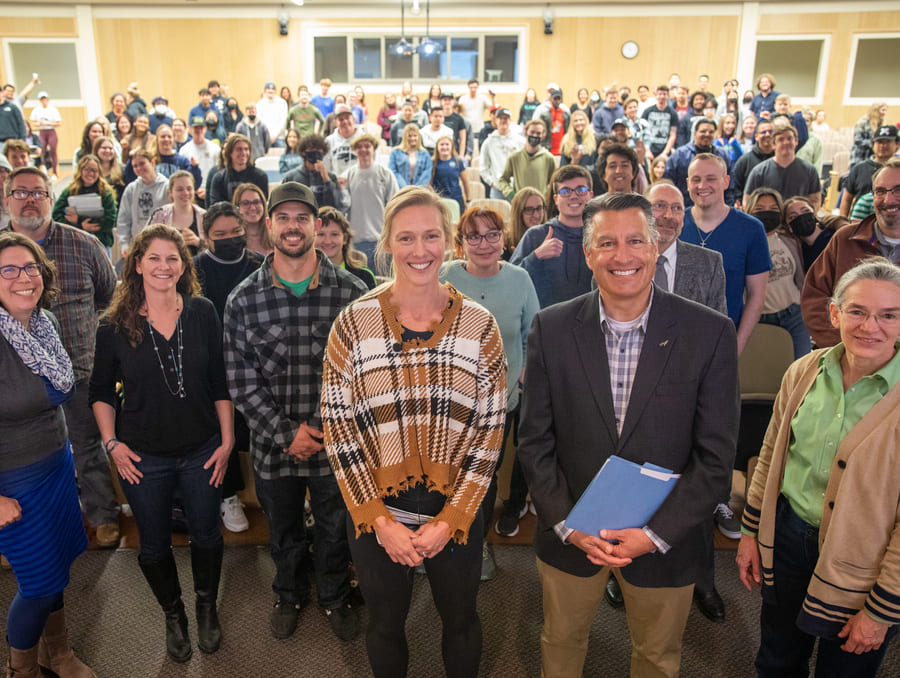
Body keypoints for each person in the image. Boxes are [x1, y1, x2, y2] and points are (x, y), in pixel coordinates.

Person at [518, 192, 739, 678]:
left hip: (666, 540)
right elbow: (535, 441)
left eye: (636, 240)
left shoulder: (710, 333)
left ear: (656, 246)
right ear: (588, 254)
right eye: (607, 243)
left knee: (658, 658)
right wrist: (566, 524)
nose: (623, 256)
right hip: (570, 535)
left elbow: (716, 458)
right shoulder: (551, 329)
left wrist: (655, 535)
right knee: (560, 642)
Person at [321, 186, 507, 677]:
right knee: (384, 624)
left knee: (462, 620)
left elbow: (489, 432)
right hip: (375, 509)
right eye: (405, 238)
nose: (419, 250)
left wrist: (452, 518)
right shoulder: (353, 324)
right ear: (387, 243)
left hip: (457, 510)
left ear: (449, 242)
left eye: (430, 236)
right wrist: (380, 521)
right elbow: (340, 429)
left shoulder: (479, 326)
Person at [738, 256, 900, 678]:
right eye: (858, 312)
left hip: (864, 561)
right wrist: (752, 533)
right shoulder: (804, 370)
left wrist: (883, 610)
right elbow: (771, 454)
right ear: (835, 313)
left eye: (889, 315)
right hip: (790, 539)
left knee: (844, 670)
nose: (870, 326)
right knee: (776, 658)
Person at [224, 182, 367, 643]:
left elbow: (363, 375)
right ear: (268, 226)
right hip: (273, 446)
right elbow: (241, 381)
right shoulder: (243, 299)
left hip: (337, 444)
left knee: (333, 527)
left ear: (317, 225)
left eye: (301, 218)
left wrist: (323, 431)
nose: (292, 226)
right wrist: (287, 434)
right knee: (282, 531)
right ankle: (288, 592)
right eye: (282, 217)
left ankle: (332, 594)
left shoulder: (351, 292)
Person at [90, 224, 232, 662]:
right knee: (152, 546)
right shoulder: (114, 327)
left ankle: (206, 606)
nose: (164, 266)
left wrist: (227, 442)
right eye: (154, 257)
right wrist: (112, 444)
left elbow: (218, 381)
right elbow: (99, 392)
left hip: (203, 449)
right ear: (136, 264)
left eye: (173, 258)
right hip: (142, 457)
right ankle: (175, 615)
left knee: (207, 535)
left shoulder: (203, 311)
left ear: (183, 266)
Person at [3, 166, 120, 551]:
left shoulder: (84, 244)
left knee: (87, 446)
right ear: (6, 200)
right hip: (11, 383)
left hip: (79, 371)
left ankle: (102, 515)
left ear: (52, 200)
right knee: (16, 459)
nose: (30, 199)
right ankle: (17, 535)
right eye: (21, 193)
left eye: (39, 192)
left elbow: (109, 299)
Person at [0, 231, 95, 678]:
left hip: (56, 466)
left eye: (31, 267)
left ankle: (57, 653)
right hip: (12, 482)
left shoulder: (44, 323)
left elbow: (54, 397)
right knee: (37, 585)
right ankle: (22, 670)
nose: (24, 277)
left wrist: (69, 457)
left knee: (56, 569)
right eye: (9, 269)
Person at [440, 206, 539, 575]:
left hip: (501, 402)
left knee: (482, 479)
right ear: (460, 243)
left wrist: (523, 372)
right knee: (445, 476)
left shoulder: (520, 280)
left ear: (504, 240)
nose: (484, 244)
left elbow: (533, 335)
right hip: (449, 404)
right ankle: (439, 541)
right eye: (474, 236)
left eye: (492, 235)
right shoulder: (445, 276)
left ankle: (474, 546)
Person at [192, 202, 263, 533]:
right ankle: (229, 494)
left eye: (235, 232)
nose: (230, 239)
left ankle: (273, 492)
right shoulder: (195, 270)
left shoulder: (262, 265)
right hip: (214, 363)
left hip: (260, 360)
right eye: (220, 235)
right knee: (222, 430)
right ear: (207, 236)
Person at [801, 158, 900, 348]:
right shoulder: (845, 239)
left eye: (898, 190)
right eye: (880, 191)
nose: (889, 200)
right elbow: (814, 298)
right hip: (846, 360)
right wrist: (846, 349)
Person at [681, 154, 771, 355]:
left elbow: (757, 295)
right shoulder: (674, 225)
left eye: (711, 178)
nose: (702, 185)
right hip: (675, 341)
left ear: (726, 181)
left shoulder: (751, 229)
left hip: (722, 341)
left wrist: (736, 346)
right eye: (696, 179)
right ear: (688, 184)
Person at [510, 165, 595, 308]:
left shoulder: (601, 235)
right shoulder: (536, 235)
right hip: (545, 324)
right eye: (565, 191)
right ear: (556, 199)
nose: (574, 196)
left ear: (591, 195)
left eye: (581, 189)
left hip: (593, 322)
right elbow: (510, 283)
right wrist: (536, 256)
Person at [745, 187, 810, 359]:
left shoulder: (790, 240)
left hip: (794, 316)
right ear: (749, 211)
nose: (767, 214)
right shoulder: (744, 243)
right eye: (760, 210)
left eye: (773, 210)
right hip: (759, 320)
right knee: (764, 375)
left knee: (800, 371)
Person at [342, 134, 399, 271]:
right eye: (359, 147)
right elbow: (343, 206)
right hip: (355, 241)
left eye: (367, 146)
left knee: (382, 283)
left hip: (380, 240)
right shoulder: (347, 175)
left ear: (374, 149)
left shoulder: (385, 174)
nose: (363, 150)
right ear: (355, 150)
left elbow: (395, 206)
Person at [744, 125, 821, 212]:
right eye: (781, 139)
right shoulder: (759, 171)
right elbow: (747, 201)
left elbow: (815, 200)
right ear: (773, 145)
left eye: (789, 138)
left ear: (796, 141)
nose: (786, 142)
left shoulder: (810, 170)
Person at [51, 154, 117, 253]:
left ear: (99, 172)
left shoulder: (105, 193)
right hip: (75, 243)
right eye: (87, 169)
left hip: (101, 243)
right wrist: (80, 226)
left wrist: (80, 221)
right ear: (80, 170)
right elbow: (56, 216)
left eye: (94, 170)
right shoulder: (69, 191)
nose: (90, 173)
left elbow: (110, 220)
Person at [664, 118, 735, 208]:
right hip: (684, 209)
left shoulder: (723, 156)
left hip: (716, 211)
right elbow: (668, 182)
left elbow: (730, 187)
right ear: (695, 133)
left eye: (710, 132)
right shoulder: (679, 155)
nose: (707, 134)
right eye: (703, 131)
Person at [116, 150, 170, 257]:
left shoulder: (166, 187)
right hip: (138, 243)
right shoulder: (131, 189)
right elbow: (124, 218)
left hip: (162, 243)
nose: (139, 168)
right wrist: (124, 244)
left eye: (142, 163)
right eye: (135, 166)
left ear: (152, 162)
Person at [841, 125, 899, 219]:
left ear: (897, 144)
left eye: (888, 142)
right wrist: (842, 221)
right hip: (861, 221)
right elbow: (847, 199)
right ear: (873, 144)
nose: (883, 146)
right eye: (879, 142)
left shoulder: (898, 170)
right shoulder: (859, 168)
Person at [315, 206, 377, 290]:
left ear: (345, 238)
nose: (327, 241)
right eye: (321, 234)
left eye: (334, 234)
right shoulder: (302, 276)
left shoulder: (364, 276)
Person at [282, 133, 347, 212]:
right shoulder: (291, 177)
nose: (315, 154)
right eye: (312, 150)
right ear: (303, 153)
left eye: (318, 151)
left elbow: (338, 205)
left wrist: (326, 180)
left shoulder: (331, 177)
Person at [147, 171, 206, 255]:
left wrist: (199, 242)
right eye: (180, 189)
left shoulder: (205, 216)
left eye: (189, 189)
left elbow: (215, 249)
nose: (185, 193)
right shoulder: (158, 215)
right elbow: (145, 244)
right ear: (171, 192)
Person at [498, 119, 556, 200]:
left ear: (543, 136)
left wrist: (546, 196)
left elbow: (554, 183)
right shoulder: (514, 158)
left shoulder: (549, 159)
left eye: (538, 133)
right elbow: (503, 180)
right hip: (520, 204)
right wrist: (512, 194)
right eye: (532, 132)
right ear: (525, 133)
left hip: (541, 204)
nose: (535, 135)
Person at [783, 195, 842, 271]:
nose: (801, 217)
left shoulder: (835, 238)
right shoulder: (798, 252)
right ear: (787, 225)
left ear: (814, 213)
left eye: (806, 211)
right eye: (793, 216)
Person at [208, 134, 268, 206]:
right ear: (230, 153)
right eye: (239, 149)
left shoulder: (260, 176)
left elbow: (262, 205)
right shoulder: (219, 178)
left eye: (246, 149)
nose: (243, 153)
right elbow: (215, 207)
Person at [178, 116, 220, 202]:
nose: (198, 130)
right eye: (195, 128)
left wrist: (207, 190)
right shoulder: (184, 150)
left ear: (205, 129)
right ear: (190, 129)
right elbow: (182, 174)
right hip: (191, 193)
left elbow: (218, 172)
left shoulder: (215, 148)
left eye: (201, 128)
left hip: (211, 191)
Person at [430, 136, 469, 215]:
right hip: (439, 200)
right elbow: (429, 184)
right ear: (437, 147)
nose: (445, 147)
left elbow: (465, 182)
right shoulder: (432, 162)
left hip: (456, 199)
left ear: (452, 147)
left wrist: (468, 199)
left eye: (447, 144)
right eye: (442, 144)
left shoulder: (458, 161)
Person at [232, 183, 272, 256]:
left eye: (256, 202)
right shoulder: (233, 241)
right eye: (246, 203)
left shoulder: (275, 236)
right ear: (237, 207)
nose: (253, 208)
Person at [388, 123, 432, 189]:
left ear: (419, 137)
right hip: (400, 190)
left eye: (415, 135)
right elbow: (392, 171)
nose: (412, 138)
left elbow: (427, 173)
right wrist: (405, 188)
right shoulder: (395, 152)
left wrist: (416, 189)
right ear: (405, 137)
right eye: (409, 136)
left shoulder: (425, 154)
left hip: (419, 191)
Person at [29, 92, 61, 179]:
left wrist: (47, 123)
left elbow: (58, 123)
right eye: (42, 99)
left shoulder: (53, 110)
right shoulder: (37, 110)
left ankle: (55, 172)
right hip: (42, 132)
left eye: (45, 99)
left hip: (51, 131)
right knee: (41, 151)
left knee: (53, 151)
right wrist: (39, 123)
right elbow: (33, 121)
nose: (44, 101)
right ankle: (43, 171)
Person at [324, 104, 362, 177]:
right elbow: (326, 168)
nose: (345, 121)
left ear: (353, 120)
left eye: (347, 118)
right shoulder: (328, 141)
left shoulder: (365, 139)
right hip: (337, 184)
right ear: (335, 123)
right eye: (341, 119)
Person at [641, 85, 678, 159]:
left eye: (664, 94)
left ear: (668, 96)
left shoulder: (673, 113)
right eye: (660, 94)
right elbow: (642, 132)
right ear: (656, 95)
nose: (662, 96)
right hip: (649, 150)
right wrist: (647, 150)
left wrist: (665, 152)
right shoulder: (647, 112)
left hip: (664, 151)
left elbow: (673, 135)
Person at [850, 101, 887, 167]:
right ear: (875, 110)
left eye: (885, 110)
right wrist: (874, 144)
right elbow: (858, 141)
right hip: (860, 157)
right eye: (883, 110)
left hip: (873, 158)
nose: (885, 113)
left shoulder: (881, 123)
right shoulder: (863, 122)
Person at [93, 135, 126, 205]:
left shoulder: (122, 170)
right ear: (96, 150)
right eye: (104, 148)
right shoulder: (91, 171)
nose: (107, 151)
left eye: (110, 148)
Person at [256, 81, 289, 148]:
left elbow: (284, 120)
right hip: (265, 138)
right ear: (265, 91)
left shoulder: (282, 103)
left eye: (272, 89)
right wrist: (269, 135)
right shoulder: (260, 104)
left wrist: (275, 135)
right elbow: (260, 121)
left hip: (280, 138)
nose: (270, 91)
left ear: (275, 91)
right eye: (268, 89)